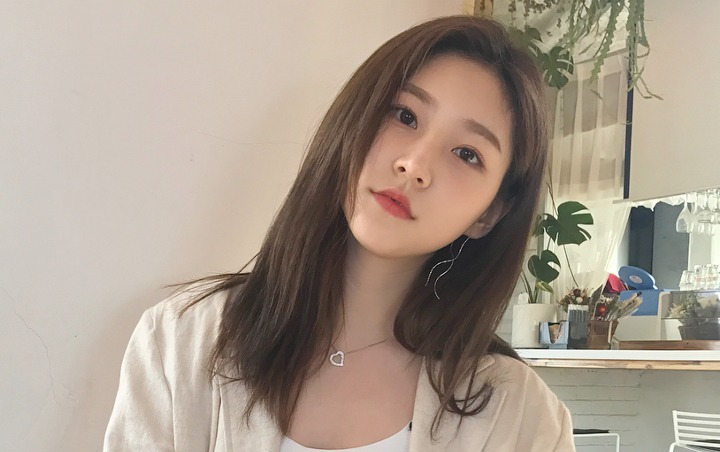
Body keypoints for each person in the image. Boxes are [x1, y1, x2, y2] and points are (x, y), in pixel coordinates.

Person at [104, 15, 575, 452]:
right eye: (405, 115)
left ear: (489, 213)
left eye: (467, 154)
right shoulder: (181, 341)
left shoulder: (523, 419)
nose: (414, 165)